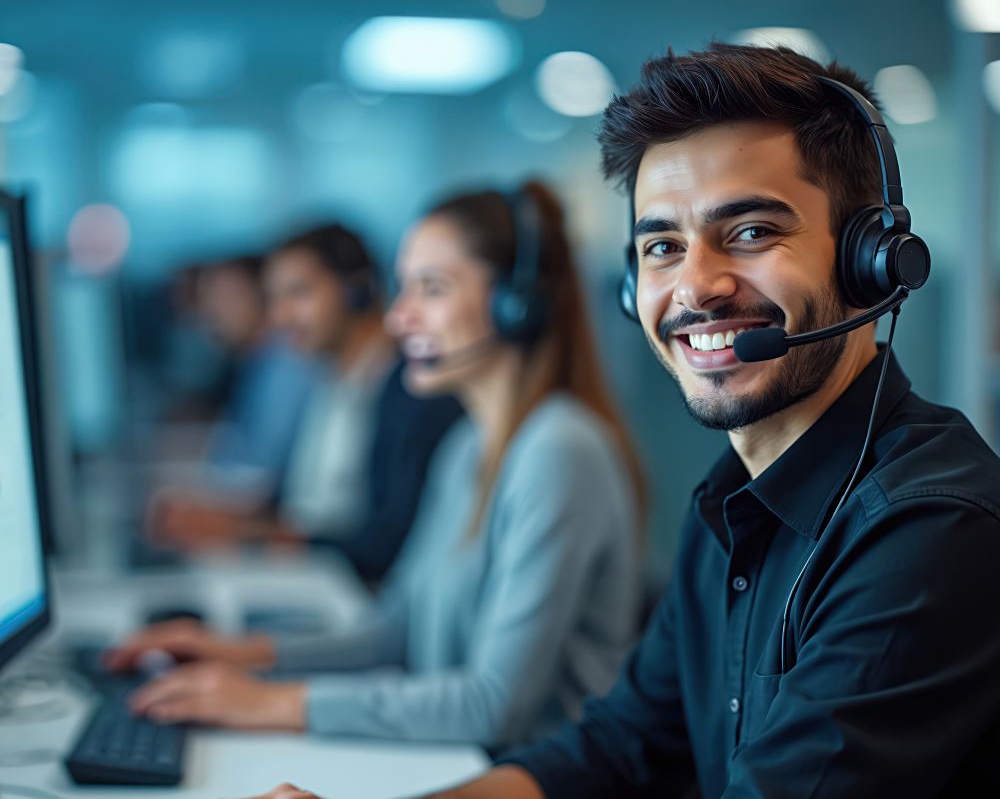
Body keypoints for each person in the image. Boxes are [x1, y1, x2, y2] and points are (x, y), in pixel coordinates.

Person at [247, 44, 1000, 798]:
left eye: (752, 230)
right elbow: (617, 748)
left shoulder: (930, 535)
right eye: (661, 247)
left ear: (867, 263)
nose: (695, 288)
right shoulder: (736, 501)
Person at [107, 182, 645, 752]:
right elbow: (398, 632)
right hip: (460, 766)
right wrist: (242, 655)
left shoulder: (560, 451)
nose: (398, 317)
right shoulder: (469, 447)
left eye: (431, 288)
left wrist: (271, 703)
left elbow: (491, 707)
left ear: (515, 305)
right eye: (403, 287)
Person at [150, 224, 462, 581]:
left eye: (298, 294)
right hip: (312, 576)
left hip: (354, 592)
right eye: (274, 300)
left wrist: (249, 534)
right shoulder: (326, 380)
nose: (281, 317)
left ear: (356, 290)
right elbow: (296, 505)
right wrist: (224, 519)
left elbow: (383, 545)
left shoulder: (409, 392)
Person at [193, 254, 316, 495]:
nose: (213, 312)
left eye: (226, 298)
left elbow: (262, 471)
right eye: (207, 299)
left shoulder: (285, 366)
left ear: (259, 298)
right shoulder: (253, 364)